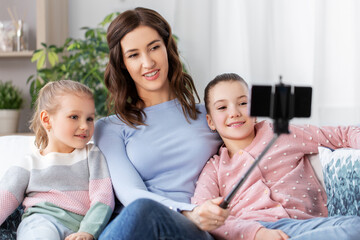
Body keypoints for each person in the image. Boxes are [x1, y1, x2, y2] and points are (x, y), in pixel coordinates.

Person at [93, 7, 228, 240]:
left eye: (154, 47)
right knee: (142, 209)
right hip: (135, 225)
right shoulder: (110, 127)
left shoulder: (210, 115)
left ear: (167, 48)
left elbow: (256, 142)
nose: (148, 63)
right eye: (134, 55)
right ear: (123, 63)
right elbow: (131, 193)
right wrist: (189, 212)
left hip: (190, 231)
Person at [191, 72, 360, 240]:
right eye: (222, 107)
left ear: (255, 111)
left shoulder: (282, 133)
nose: (234, 112)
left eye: (243, 103)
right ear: (210, 121)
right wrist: (256, 233)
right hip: (254, 231)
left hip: (307, 227)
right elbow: (203, 215)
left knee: (355, 227)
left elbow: (344, 134)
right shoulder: (214, 167)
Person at [0, 80, 114, 240]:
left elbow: (103, 198)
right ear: (47, 120)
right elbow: (4, 198)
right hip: (41, 222)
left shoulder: (93, 155)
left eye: (89, 118)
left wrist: (88, 231)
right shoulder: (29, 163)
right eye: (74, 117)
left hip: (81, 228)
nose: (85, 126)